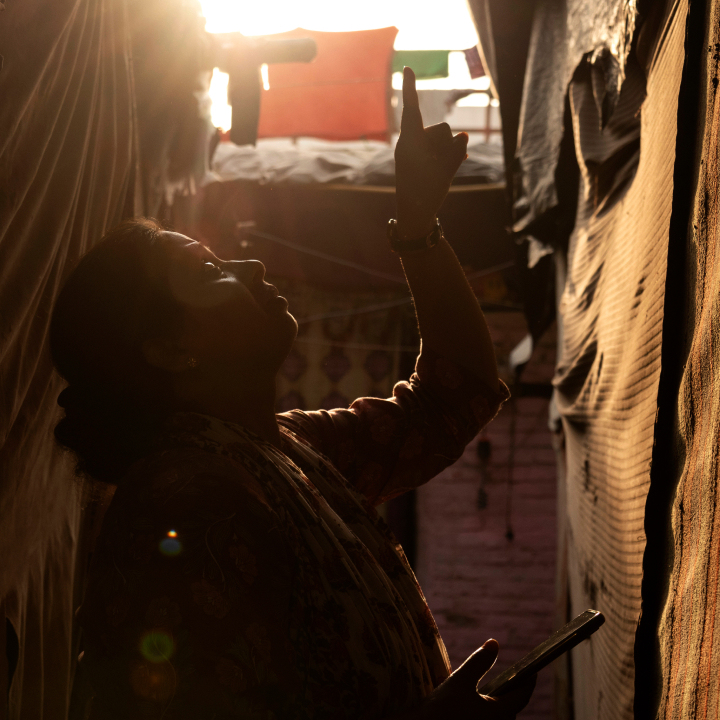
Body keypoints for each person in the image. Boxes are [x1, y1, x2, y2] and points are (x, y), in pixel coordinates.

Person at [50, 68, 535, 719]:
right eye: (211, 271)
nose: (250, 266)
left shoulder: (290, 451)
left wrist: (418, 222)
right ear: (170, 350)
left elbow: (455, 397)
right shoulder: (184, 500)